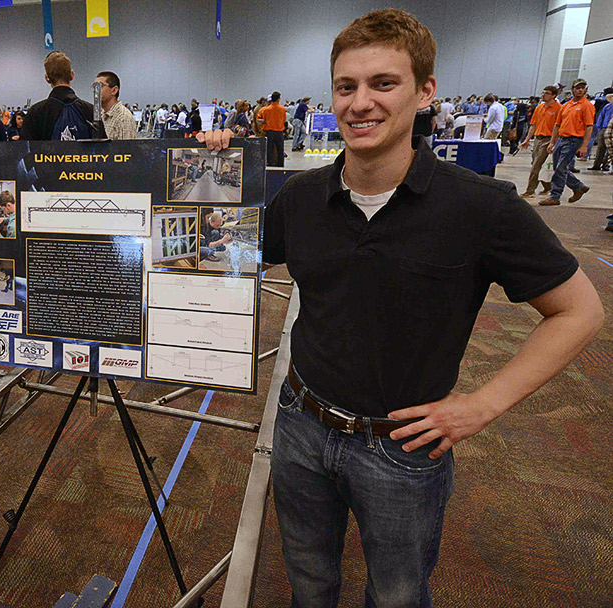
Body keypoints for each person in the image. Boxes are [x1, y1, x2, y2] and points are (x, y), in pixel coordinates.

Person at [198, 8, 603, 607]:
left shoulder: (481, 207)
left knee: (397, 594)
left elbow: (580, 311)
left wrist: (481, 406)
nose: (360, 103)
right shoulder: (303, 198)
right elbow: (217, 255)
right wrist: (209, 172)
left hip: (402, 447)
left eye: (383, 83)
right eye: (346, 87)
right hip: (301, 424)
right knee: (307, 578)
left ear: (425, 91)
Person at [22, 51, 104, 141]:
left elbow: (25, 147)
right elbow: (104, 147)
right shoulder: (91, 111)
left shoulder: (35, 113)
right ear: (72, 75)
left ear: (47, 78)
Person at [540, 78, 594, 206]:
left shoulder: (587, 106)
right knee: (558, 168)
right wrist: (552, 142)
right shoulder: (566, 105)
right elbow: (557, 125)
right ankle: (578, 186)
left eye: (582, 88)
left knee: (561, 168)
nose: (580, 90)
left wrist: (585, 145)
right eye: (577, 88)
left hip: (574, 140)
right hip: (561, 139)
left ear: (585, 90)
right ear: (572, 89)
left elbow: (589, 126)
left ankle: (555, 196)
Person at [520, 84, 562, 198]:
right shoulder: (539, 107)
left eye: (547, 93)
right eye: (543, 93)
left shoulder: (559, 108)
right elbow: (533, 125)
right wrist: (527, 140)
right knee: (536, 163)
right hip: (538, 138)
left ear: (554, 95)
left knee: (536, 165)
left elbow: (558, 127)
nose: (543, 95)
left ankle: (530, 190)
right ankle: (548, 186)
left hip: (549, 139)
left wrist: (554, 142)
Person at [95, 71, 137, 140]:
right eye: (94, 86)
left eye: (100, 86)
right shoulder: (101, 115)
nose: (95, 91)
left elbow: (127, 146)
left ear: (114, 90)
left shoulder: (123, 118)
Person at [587, 87, 613, 172]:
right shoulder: (607, 107)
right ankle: (596, 165)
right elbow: (601, 117)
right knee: (600, 147)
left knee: (610, 149)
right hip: (604, 128)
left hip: (611, 129)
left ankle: (606, 164)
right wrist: (599, 128)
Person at [258, 91, 287, 166]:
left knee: (270, 149)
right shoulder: (282, 109)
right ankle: (280, 164)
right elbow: (284, 120)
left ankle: (271, 163)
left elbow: (259, 120)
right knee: (280, 149)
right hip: (279, 131)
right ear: (278, 99)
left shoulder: (265, 110)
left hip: (269, 131)